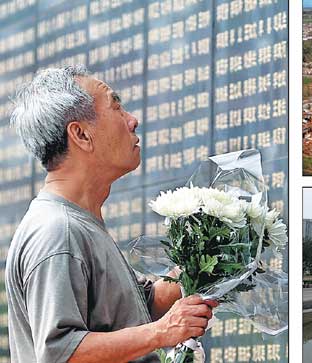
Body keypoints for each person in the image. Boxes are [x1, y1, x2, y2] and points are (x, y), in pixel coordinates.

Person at [6, 65, 216, 363]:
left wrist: (210, 261)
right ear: (81, 134)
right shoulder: (56, 230)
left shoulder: (80, 222)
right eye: (116, 107)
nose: (133, 120)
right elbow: (58, 353)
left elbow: (137, 309)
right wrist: (163, 331)